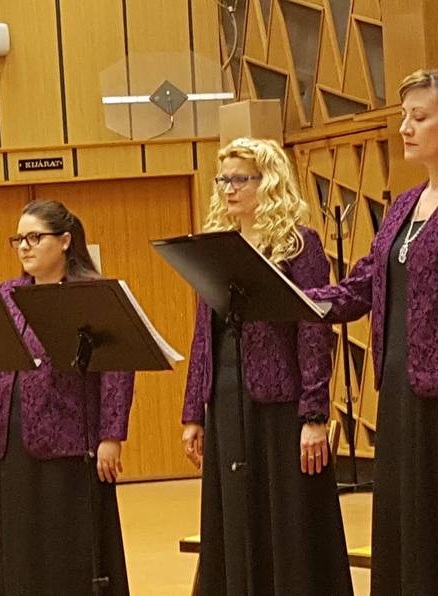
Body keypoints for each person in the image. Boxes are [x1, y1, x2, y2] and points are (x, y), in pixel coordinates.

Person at [306, 69, 438, 595]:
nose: (404, 127)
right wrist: (298, 299)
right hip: (401, 397)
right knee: (404, 533)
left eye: (419, 117)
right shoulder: (405, 203)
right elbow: (365, 283)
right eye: (404, 116)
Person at [181, 138, 353, 595]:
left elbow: (313, 328)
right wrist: (194, 411)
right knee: (234, 513)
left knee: (286, 516)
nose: (228, 189)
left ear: (269, 182)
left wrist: (314, 413)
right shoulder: (217, 246)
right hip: (226, 395)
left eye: (241, 179)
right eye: (224, 179)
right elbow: (204, 334)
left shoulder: (299, 244)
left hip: (281, 400)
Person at [0, 199, 134, 595]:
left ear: (65, 240)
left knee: (66, 548)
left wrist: (111, 435)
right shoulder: (8, 293)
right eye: (19, 239)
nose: (24, 246)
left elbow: (118, 367)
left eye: (35, 237)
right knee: (21, 549)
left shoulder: (90, 292)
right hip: (11, 437)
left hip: (70, 440)